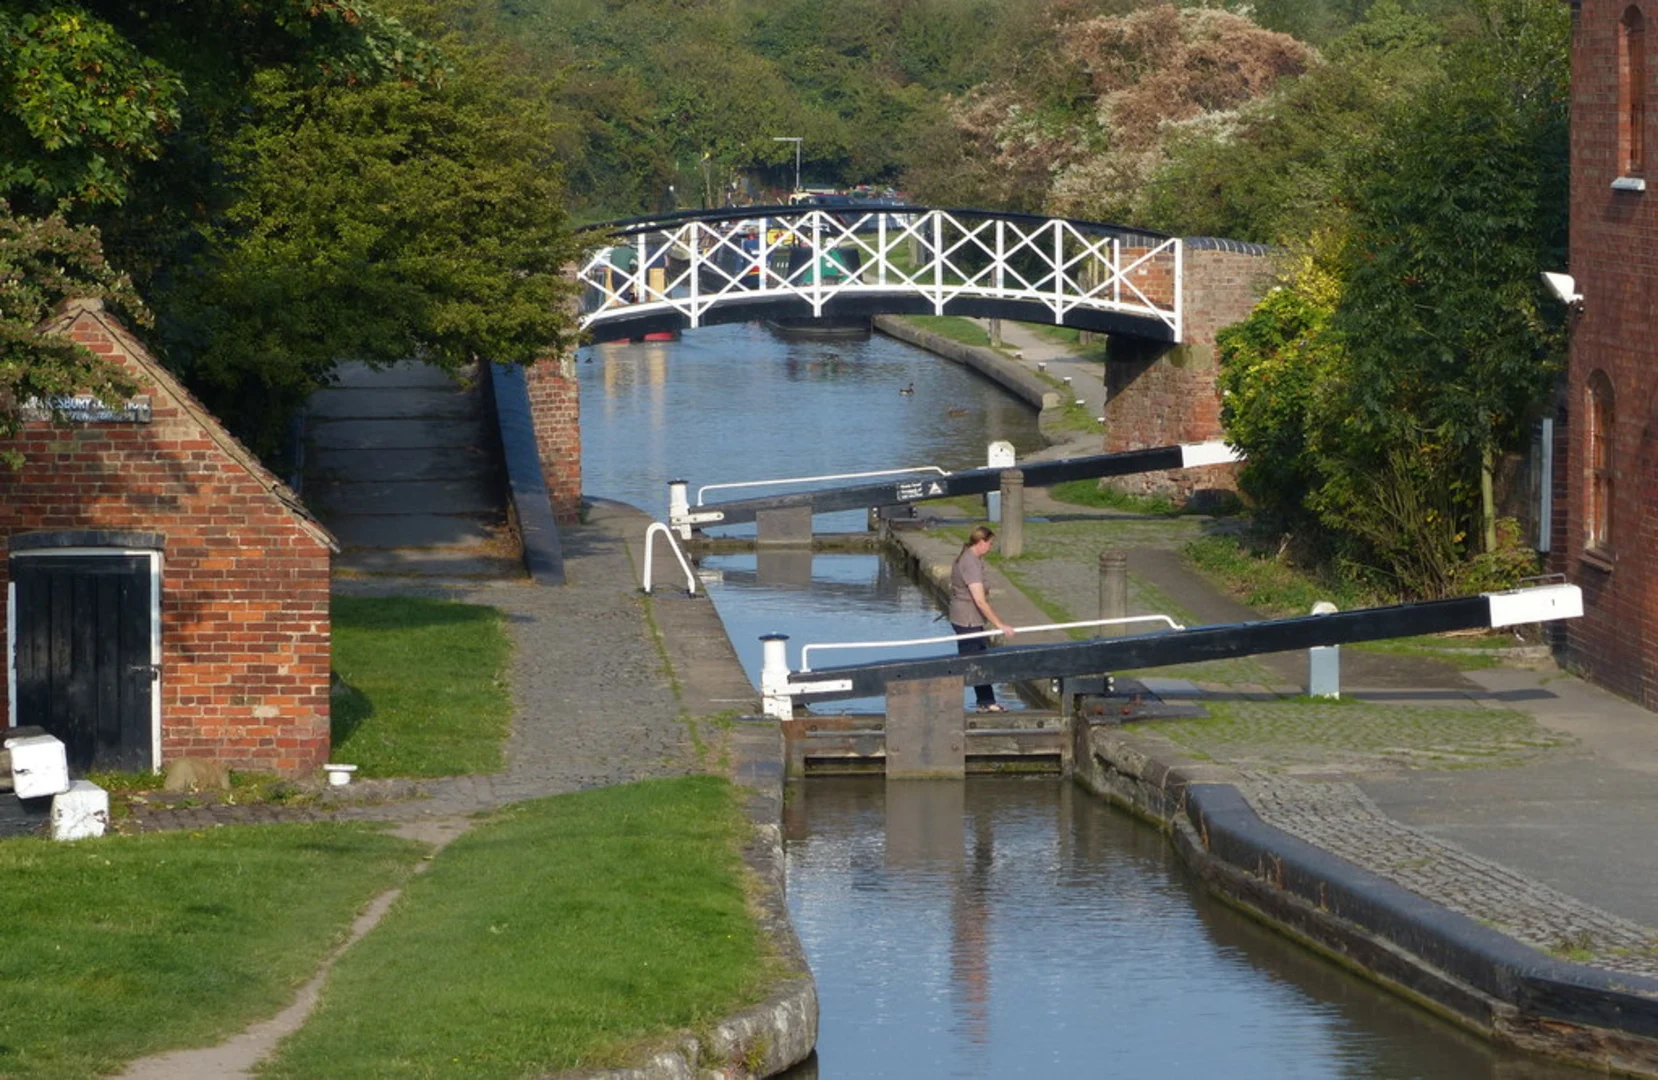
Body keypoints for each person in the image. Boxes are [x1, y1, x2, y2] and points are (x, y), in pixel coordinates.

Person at [949, 525, 1016, 712]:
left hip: (965, 616)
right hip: (968, 619)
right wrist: (1000, 625)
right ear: (980, 542)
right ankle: (982, 702)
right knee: (974, 662)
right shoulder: (970, 563)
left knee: (978, 659)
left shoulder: (969, 558)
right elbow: (979, 600)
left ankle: (985, 702)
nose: (991, 547)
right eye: (990, 543)